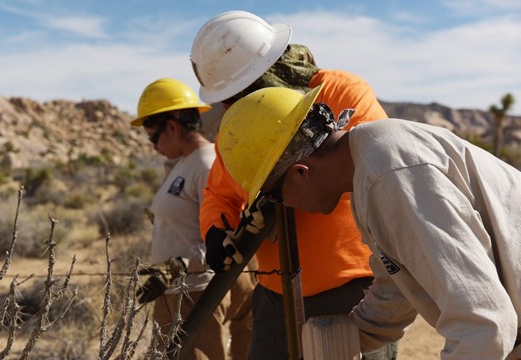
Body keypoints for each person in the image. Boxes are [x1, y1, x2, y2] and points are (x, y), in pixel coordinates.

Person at [217, 85, 521, 359]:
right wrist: (348, 336)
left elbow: (484, 325)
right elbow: (399, 286)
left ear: (300, 171)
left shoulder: (389, 176)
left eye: (275, 196)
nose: (283, 207)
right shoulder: (372, 163)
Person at [190, 10, 396, 359]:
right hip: (275, 295)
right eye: (229, 101)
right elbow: (220, 194)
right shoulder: (238, 127)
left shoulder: (343, 93)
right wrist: (216, 231)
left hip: (354, 290)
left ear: (267, 74)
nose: (235, 109)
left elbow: (373, 172)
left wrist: (275, 191)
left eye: (241, 96)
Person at [132, 78, 254, 360]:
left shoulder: (206, 164)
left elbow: (228, 236)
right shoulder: (186, 163)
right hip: (178, 292)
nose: (153, 146)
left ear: (172, 127)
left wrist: (177, 266)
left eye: (153, 137)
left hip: (194, 294)